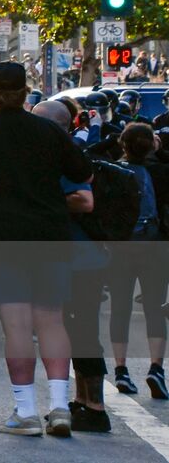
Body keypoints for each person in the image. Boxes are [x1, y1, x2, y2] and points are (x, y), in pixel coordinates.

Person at [0, 61, 93, 437]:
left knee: (17, 327)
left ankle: (25, 410)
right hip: (50, 235)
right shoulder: (48, 131)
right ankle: (59, 405)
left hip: (1, 237)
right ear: (27, 92)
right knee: (52, 320)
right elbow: (84, 174)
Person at [32, 99, 112, 433]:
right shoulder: (55, 152)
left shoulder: (63, 156)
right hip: (69, 257)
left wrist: (43, 197)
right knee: (69, 329)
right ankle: (80, 401)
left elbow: (84, 200)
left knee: (81, 331)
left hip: (79, 259)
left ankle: (94, 406)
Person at [108, 122, 169, 398]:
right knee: (154, 307)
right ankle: (156, 367)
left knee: (119, 307)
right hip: (155, 245)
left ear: (123, 144)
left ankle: (121, 369)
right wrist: (160, 150)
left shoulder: (113, 171)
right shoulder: (162, 172)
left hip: (120, 247)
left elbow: (92, 153)